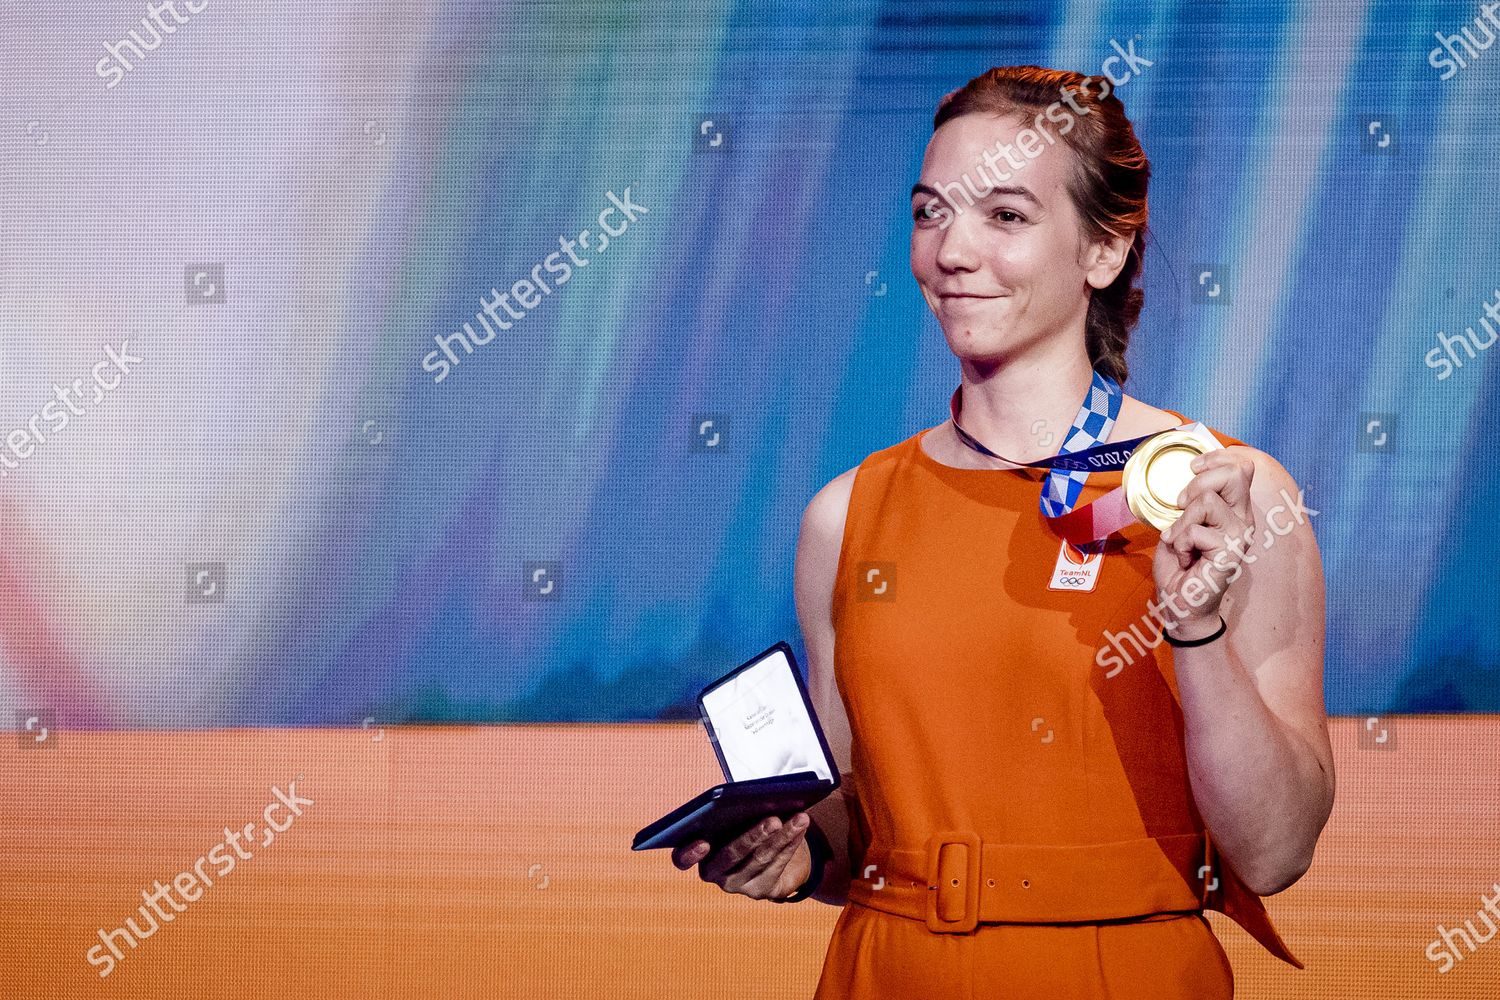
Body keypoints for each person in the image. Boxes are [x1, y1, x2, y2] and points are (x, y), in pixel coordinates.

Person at [671, 64, 1334, 998]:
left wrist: (1197, 631)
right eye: (931, 212)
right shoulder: (846, 513)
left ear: (1104, 252)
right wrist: (796, 857)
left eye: (1007, 217)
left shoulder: (1223, 494)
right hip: (885, 971)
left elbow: (1274, 851)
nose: (951, 251)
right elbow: (853, 823)